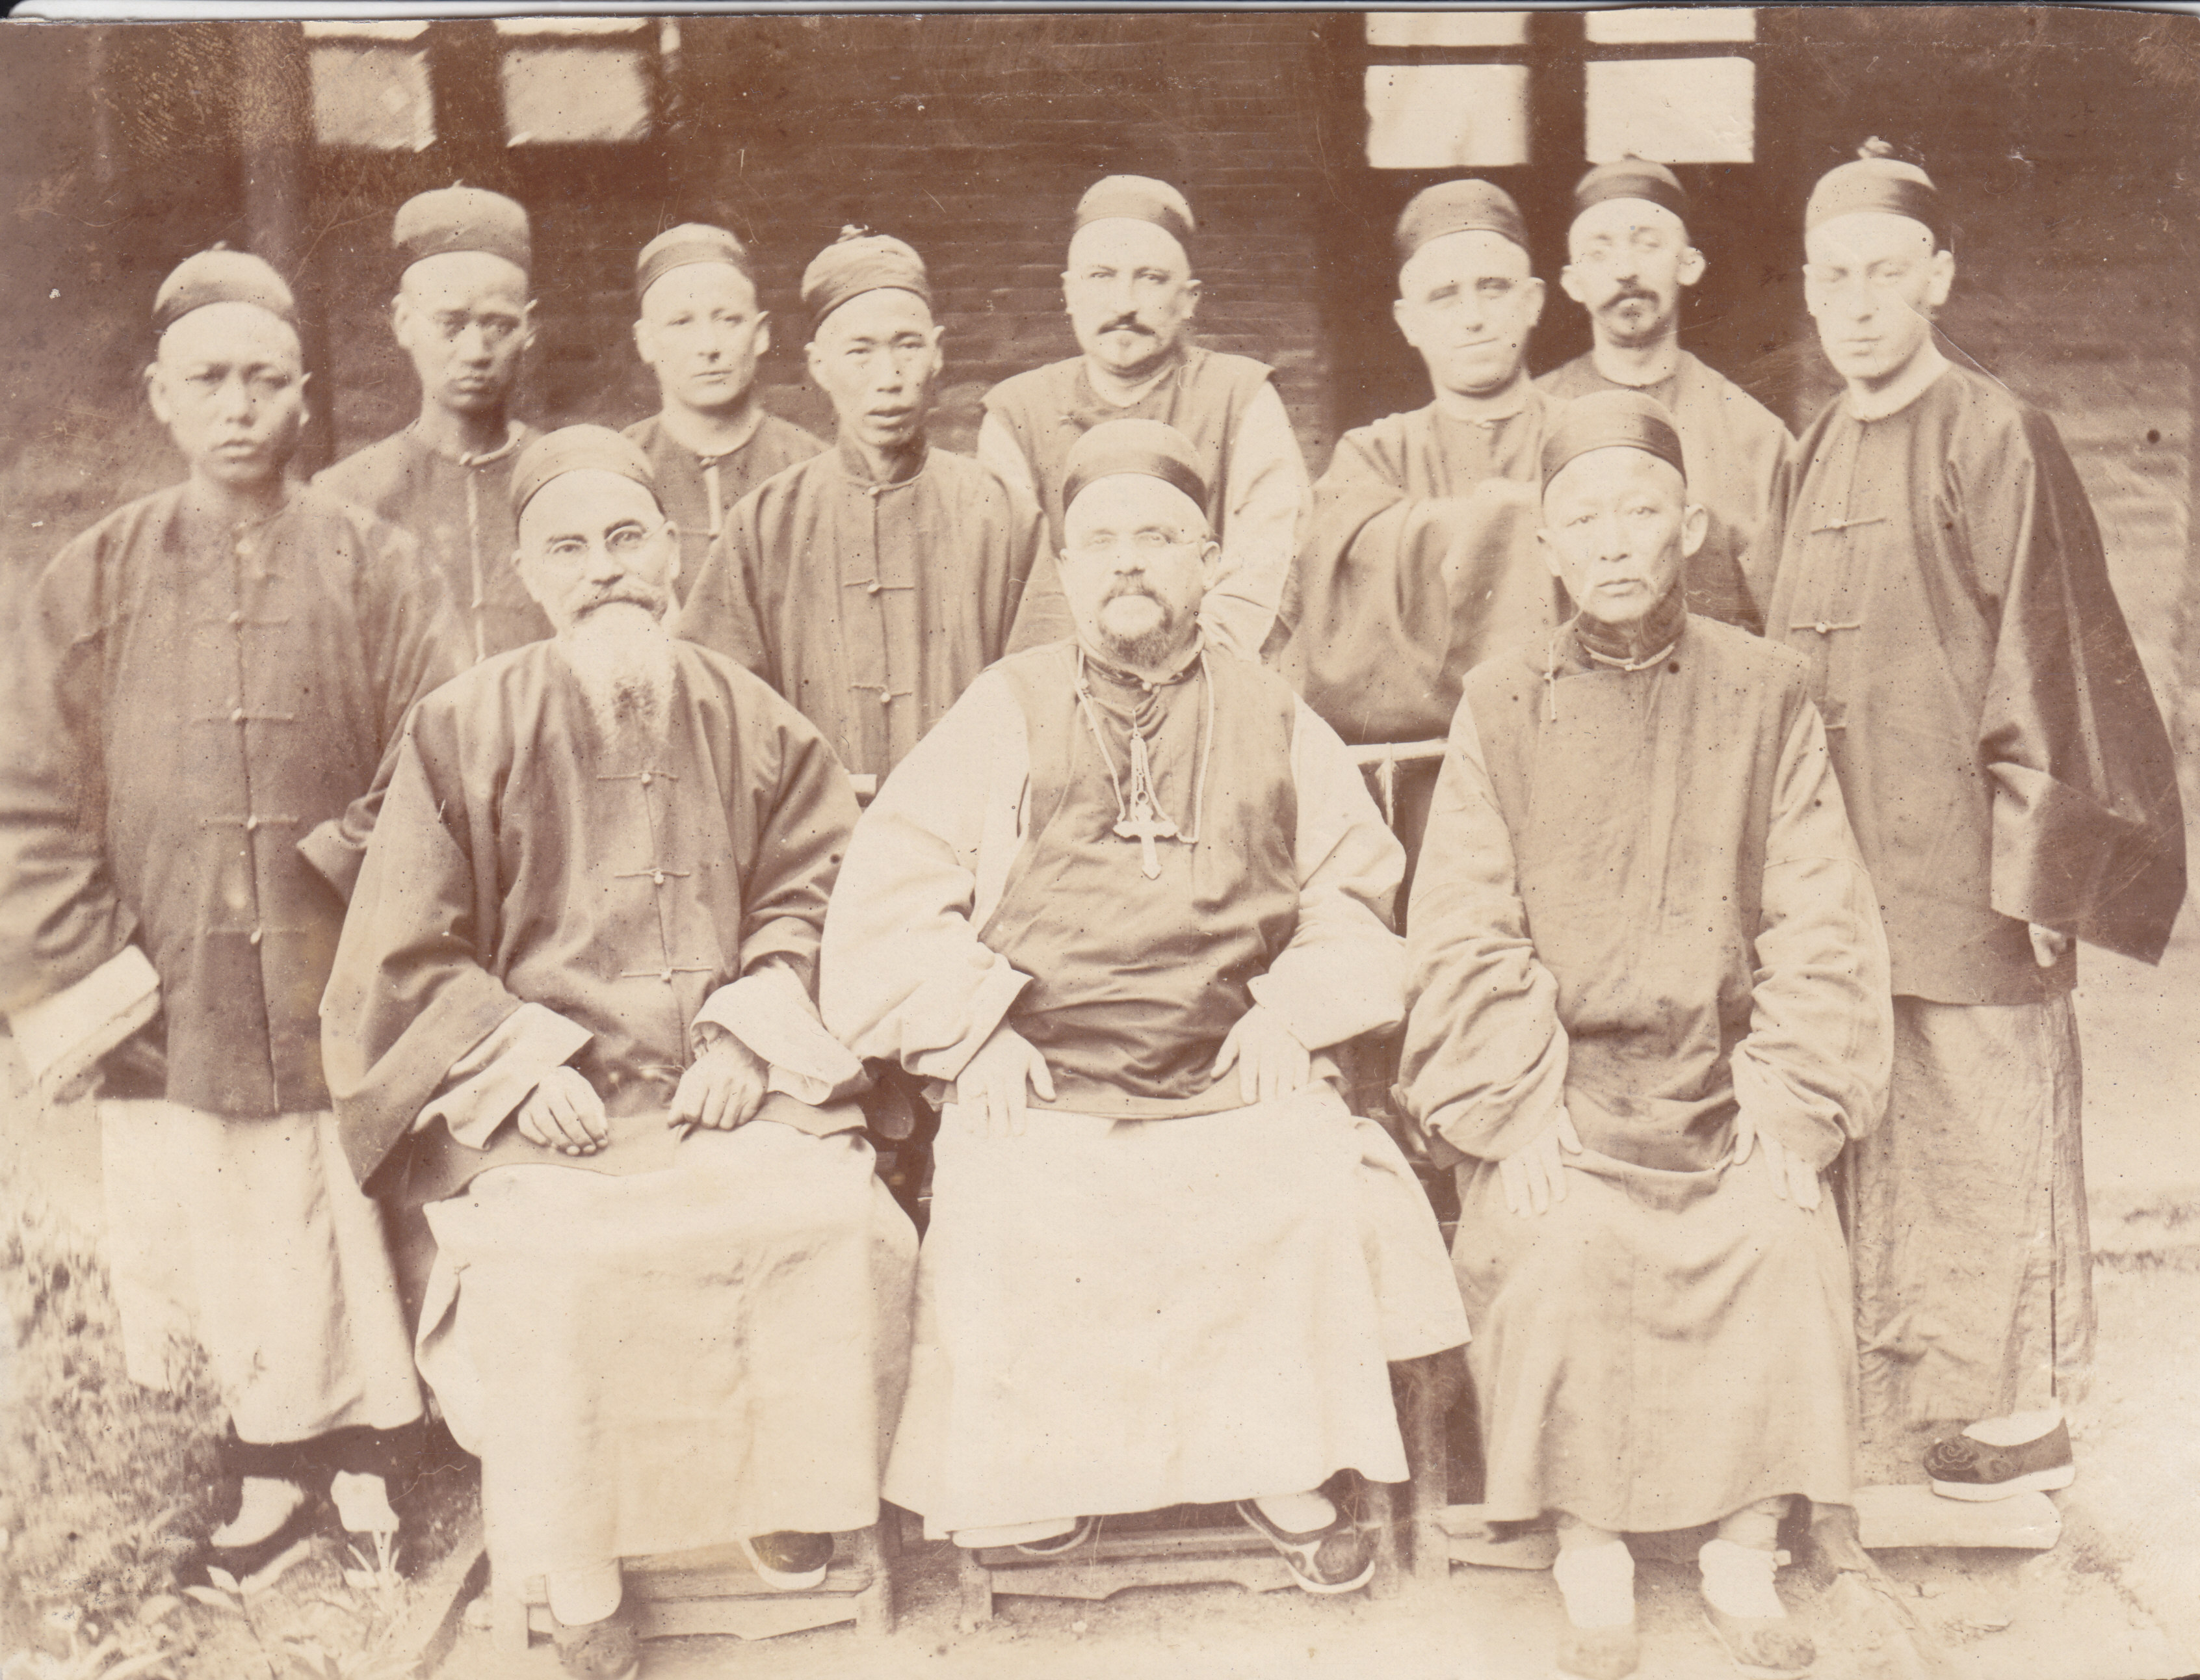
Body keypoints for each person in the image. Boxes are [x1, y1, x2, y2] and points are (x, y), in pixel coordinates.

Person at [822, 419, 1468, 1592]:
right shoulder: (1004, 706)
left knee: (1302, 1177)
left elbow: (1353, 898)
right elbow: (889, 896)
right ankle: (1037, 1480)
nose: (1129, 562)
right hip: (1041, 1070)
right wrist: (972, 1030)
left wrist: (1294, 1011)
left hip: (1231, 1062)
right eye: (1103, 542)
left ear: (1207, 561)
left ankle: (1278, 1464)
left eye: (1159, 538)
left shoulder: (1276, 714)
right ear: (1067, 570)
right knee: (1017, 1191)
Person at [322, 427, 916, 1680]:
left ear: (672, 552)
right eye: (569, 548)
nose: (602, 569)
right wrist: (522, 1066)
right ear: (529, 576)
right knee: (550, 1267)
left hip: (727, 1090)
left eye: (626, 538)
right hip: (542, 1107)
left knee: (833, 1221)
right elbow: (405, 948)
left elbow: (816, 886)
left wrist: (749, 1027)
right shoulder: (460, 723)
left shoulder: (747, 712)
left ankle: (783, 1489)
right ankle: (579, 1559)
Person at [1400, 392, 1892, 1680]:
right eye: (1583, 518)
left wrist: (1789, 1097)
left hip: (1724, 1086)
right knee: (1556, 1237)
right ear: (1547, 545)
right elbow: (1462, 922)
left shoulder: (1768, 692)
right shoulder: (1501, 701)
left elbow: (1818, 916)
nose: (1613, 539)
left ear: (1687, 525)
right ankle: (1589, 1540)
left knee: (1780, 1230)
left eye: (1639, 510)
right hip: (1562, 1086)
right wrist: (1515, 1101)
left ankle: (1745, 1538)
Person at [0, 249, 462, 1581]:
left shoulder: (380, 565)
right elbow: (27, 787)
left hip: (335, 963)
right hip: (171, 973)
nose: (239, 405)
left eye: (265, 379)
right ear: (161, 395)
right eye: (209, 380)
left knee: (333, 1214)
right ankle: (264, 1463)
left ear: (305, 394)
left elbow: (439, 755)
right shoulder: (95, 574)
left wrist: (353, 913)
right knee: (216, 1208)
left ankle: (371, 1449)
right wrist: (103, 961)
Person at [1761, 142, 2186, 1496]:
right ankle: (1902, 1409)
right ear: (1807, 288)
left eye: (1885, 275)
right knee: (1880, 1127)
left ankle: (2019, 1413)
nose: (1857, 304)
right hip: (1844, 859)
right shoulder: (1813, 446)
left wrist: (2045, 872)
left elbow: (2052, 653)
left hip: (1970, 859)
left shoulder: (1995, 430)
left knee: (1985, 1117)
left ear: (1937, 279)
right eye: (1834, 277)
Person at [674, 227, 1045, 781]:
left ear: (938, 353)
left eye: (908, 346)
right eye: (860, 353)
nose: (889, 379)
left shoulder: (1002, 515)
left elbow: (1046, 696)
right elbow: (715, 706)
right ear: (819, 365)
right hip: (809, 826)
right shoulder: (766, 523)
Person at [1267, 180, 1564, 870]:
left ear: (1533, 301)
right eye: (1444, 296)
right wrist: (1519, 516)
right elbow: (1340, 640)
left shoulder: (1586, 437)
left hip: (1565, 775)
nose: (1473, 317)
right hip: (1417, 799)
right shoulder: (1369, 456)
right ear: (1408, 322)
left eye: (1494, 289)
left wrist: (1420, 539)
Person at [984, 174, 1309, 659]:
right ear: (1069, 293)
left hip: (1213, 670)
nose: (1124, 305)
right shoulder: (1016, 413)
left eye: (1151, 279)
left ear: (1190, 299)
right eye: (1101, 277)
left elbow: (1271, 562)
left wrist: (1192, 668)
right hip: (1064, 681)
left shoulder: (1242, 396)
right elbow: (1021, 587)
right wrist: (1091, 680)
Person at [1536, 156, 1786, 621]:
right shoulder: (1534, 419)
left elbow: (1787, 611)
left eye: (1647, 245)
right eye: (1599, 252)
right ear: (1573, 282)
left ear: (1689, 264)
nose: (1625, 269)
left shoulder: (1754, 434)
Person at [317, 185, 548, 664]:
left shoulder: (564, 477)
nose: (476, 352)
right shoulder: (344, 496)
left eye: (499, 326)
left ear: (529, 328)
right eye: (451, 325)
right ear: (404, 322)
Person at [623, 222, 824, 601]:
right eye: (681, 322)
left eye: (729, 320)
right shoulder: (619, 469)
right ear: (646, 341)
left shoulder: (814, 467)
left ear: (761, 333)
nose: (709, 345)